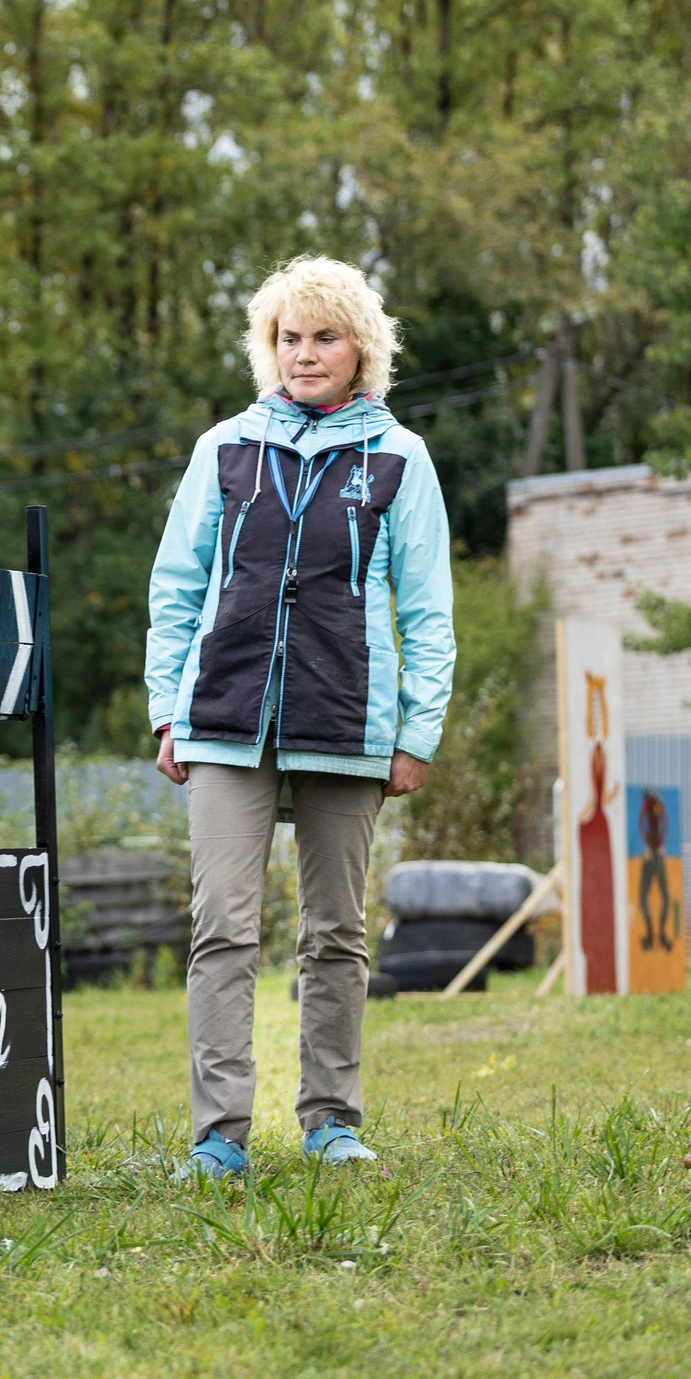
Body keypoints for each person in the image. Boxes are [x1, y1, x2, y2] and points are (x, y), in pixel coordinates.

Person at [143, 257, 455, 1176]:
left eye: (325, 336)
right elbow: (177, 586)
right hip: (224, 715)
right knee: (224, 925)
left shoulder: (399, 457)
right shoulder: (224, 450)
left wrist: (417, 732)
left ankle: (331, 1121)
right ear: (268, 347)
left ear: (362, 349)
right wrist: (169, 707)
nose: (305, 354)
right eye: (290, 337)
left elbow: (428, 608)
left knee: (335, 932)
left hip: (350, 720)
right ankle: (219, 1135)